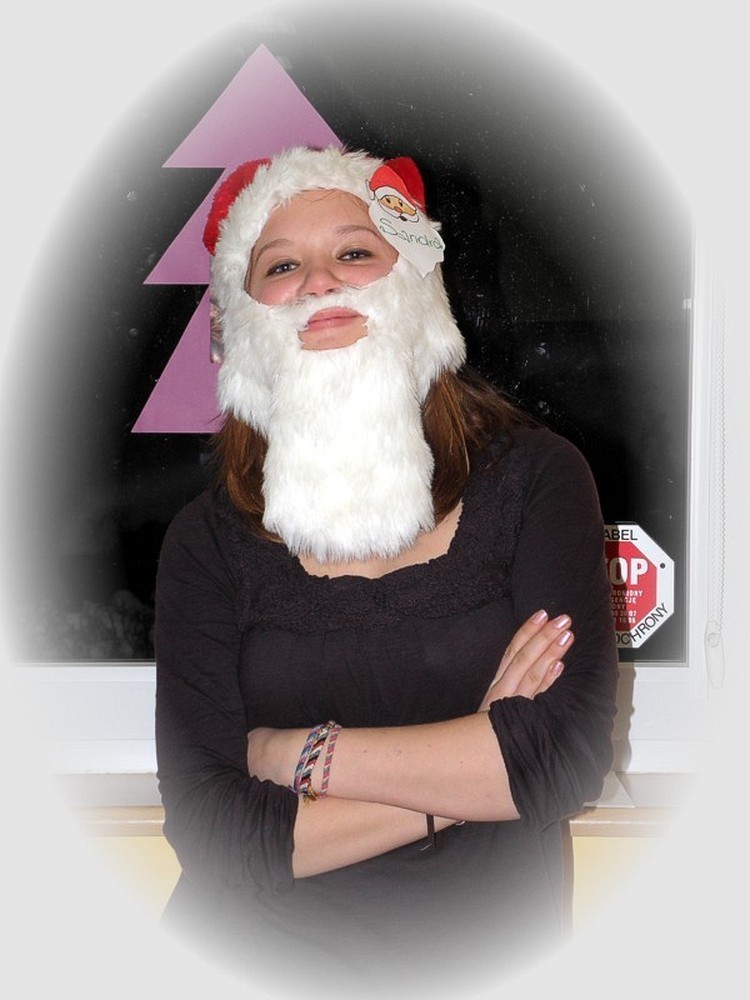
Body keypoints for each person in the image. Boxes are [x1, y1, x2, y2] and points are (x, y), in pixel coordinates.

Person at [154, 145, 619, 996]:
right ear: (242, 316)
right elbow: (214, 834)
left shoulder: (537, 482)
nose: (320, 282)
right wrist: (474, 764)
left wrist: (299, 755)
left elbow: (562, 756)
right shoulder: (207, 543)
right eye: (280, 266)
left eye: (354, 251)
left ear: (413, 284)